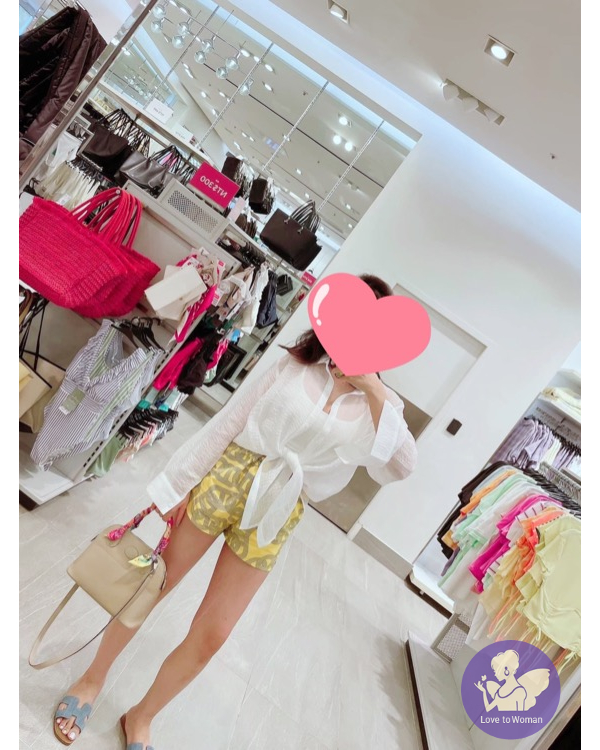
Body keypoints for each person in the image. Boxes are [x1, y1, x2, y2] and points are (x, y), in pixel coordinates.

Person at [53, 274, 418, 748]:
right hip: (230, 474)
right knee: (150, 589)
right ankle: (91, 680)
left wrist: (372, 388)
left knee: (214, 634)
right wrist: (180, 484)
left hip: (282, 505)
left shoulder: (381, 406)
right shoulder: (295, 365)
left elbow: (402, 464)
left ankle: (141, 717)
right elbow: (229, 422)